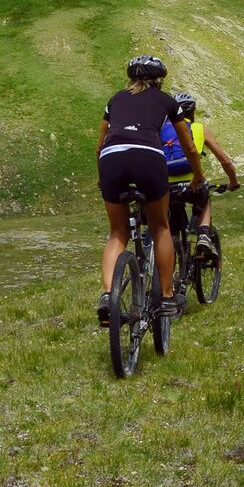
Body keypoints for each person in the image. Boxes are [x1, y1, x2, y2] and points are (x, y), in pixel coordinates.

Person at [97, 55, 181, 328]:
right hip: (148, 157)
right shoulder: (167, 101)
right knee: (160, 227)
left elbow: (100, 144)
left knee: (117, 233)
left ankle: (108, 296)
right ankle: (166, 297)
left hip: (111, 158)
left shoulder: (114, 99)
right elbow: (190, 147)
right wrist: (199, 175)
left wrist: (102, 179)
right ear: (159, 80)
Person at [169, 92, 242, 248]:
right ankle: (203, 235)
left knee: (171, 229)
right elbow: (224, 160)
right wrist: (233, 181)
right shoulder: (199, 129)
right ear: (193, 111)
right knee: (204, 196)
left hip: (166, 187)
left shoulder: (162, 130)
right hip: (192, 183)